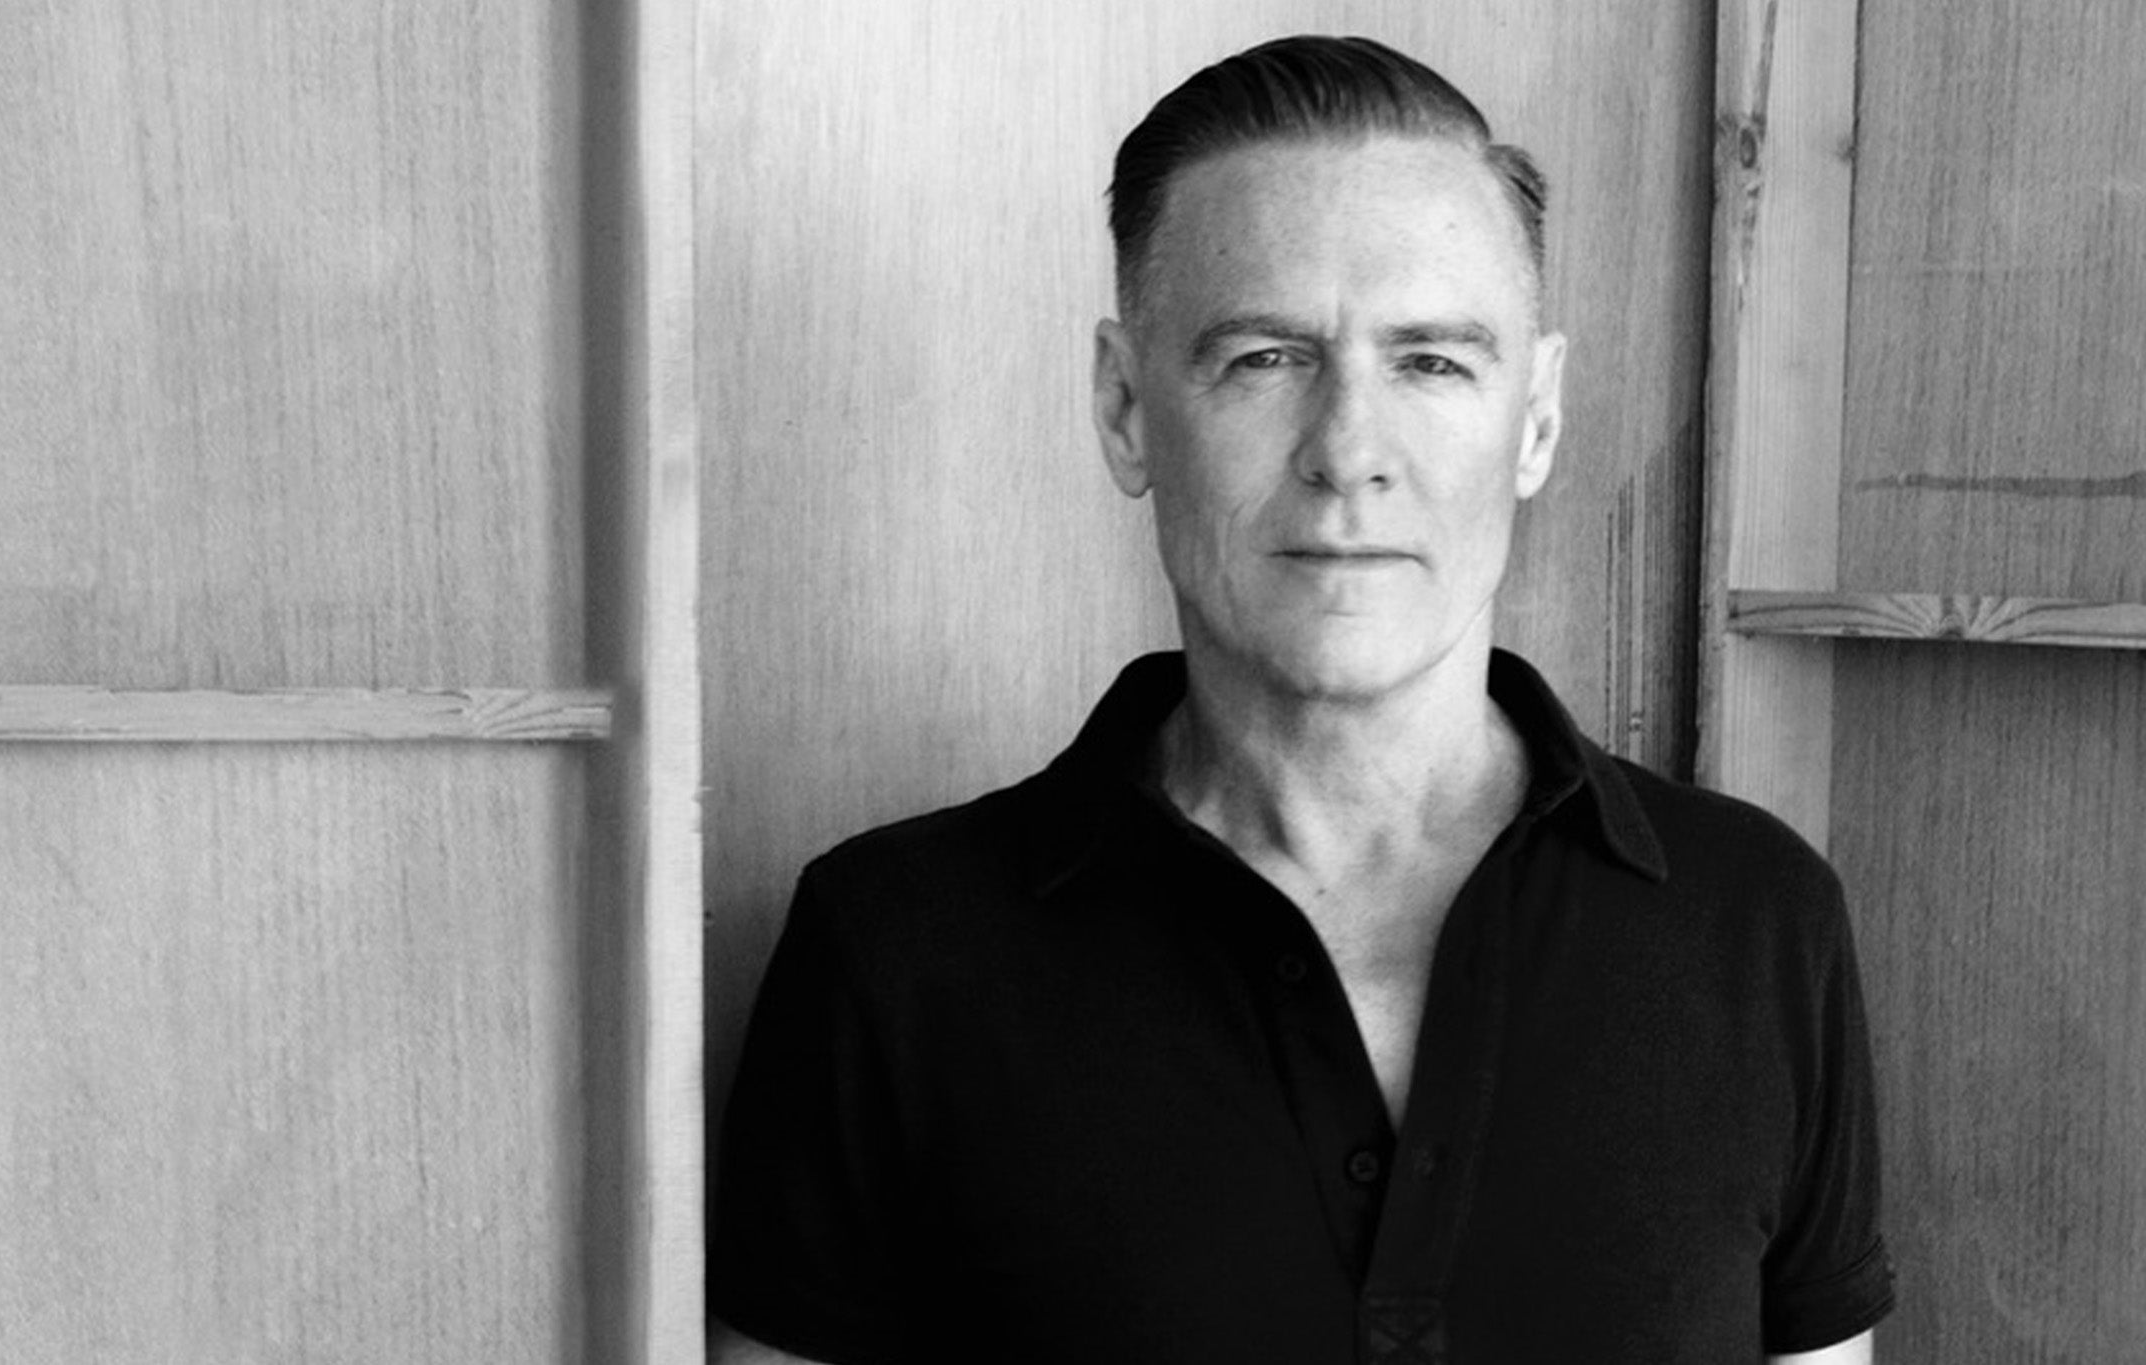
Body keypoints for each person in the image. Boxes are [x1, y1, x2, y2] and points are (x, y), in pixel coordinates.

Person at [709, 34, 1893, 1365]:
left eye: (1431, 361)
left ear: (1538, 418)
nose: (1347, 452)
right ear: (1123, 408)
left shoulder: (1757, 922)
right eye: (1266, 357)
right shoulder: (892, 953)